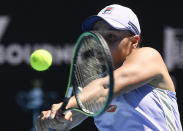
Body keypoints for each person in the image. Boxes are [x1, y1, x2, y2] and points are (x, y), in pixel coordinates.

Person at [36, 4, 182, 131]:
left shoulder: (149, 56)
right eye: (97, 37)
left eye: (111, 37)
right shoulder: (92, 90)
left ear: (134, 42)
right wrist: (54, 120)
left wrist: (66, 104)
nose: (101, 44)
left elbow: (105, 88)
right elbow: (67, 121)